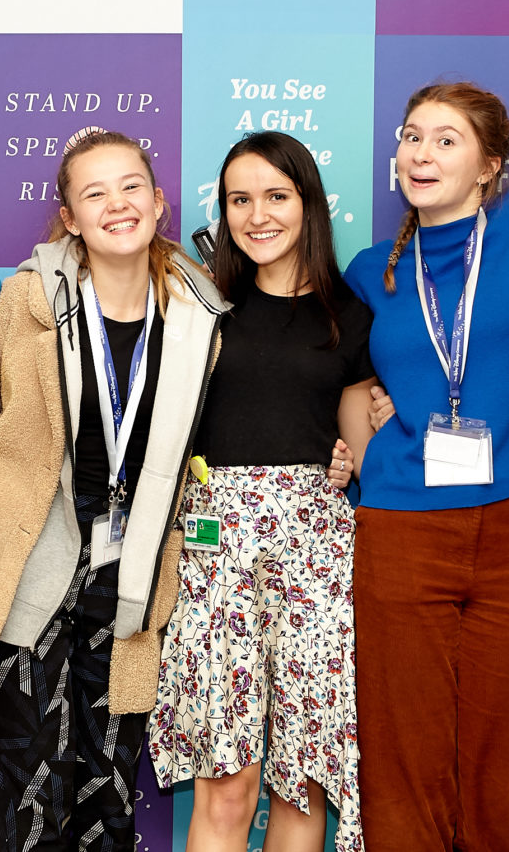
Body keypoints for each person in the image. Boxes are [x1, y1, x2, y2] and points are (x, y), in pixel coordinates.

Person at [0, 128, 229, 850]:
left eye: (131, 187)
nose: (117, 204)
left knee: (108, 787)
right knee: (27, 790)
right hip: (34, 558)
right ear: (69, 217)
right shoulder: (30, 299)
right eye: (94, 193)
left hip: (131, 569)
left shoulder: (198, 312)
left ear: (159, 203)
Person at [343, 81, 509, 850]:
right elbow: (337, 377)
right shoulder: (370, 270)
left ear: (490, 165)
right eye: (412, 136)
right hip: (404, 527)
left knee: (499, 761)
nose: (422, 153)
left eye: (446, 140)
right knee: (402, 757)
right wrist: (366, 435)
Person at [147, 131, 374, 852]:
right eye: (239, 200)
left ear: (308, 203)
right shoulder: (197, 304)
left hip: (317, 558)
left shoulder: (350, 315)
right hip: (217, 555)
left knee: (302, 783)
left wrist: (364, 442)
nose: (257, 215)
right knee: (226, 782)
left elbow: (360, 452)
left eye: (276, 196)